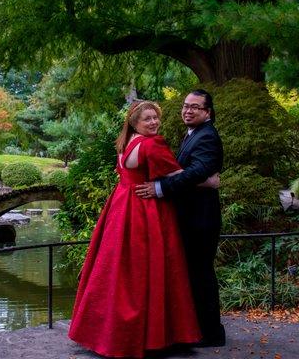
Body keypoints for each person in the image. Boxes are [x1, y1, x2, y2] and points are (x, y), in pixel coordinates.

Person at [68, 100, 217, 358]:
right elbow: (177, 175)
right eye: (147, 119)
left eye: (155, 117)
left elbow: (126, 173)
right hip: (145, 210)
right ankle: (150, 336)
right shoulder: (152, 144)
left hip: (121, 206)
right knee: (148, 269)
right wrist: (209, 182)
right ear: (135, 122)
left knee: (119, 269)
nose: (154, 122)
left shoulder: (126, 143)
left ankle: (108, 332)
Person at [135, 89, 226, 347]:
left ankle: (211, 334)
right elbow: (189, 173)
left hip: (200, 219)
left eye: (195, 107)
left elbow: (196, 171)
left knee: (201, 274)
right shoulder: (193, 134)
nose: (188, 110)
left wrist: (159, 188)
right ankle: (197, 330)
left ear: (207, 112)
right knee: (193, 274)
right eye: (186, 106)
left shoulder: (207, 136)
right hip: (189, 216)